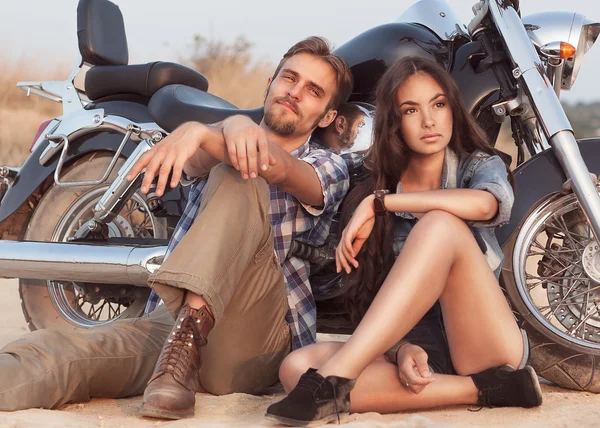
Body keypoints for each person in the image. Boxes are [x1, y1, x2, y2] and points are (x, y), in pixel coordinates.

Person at [0, 37, 354, 419]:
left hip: (254, 340)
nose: (295, 93)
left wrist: (201, 130)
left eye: (314, 91)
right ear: (270, 82)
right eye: (290, 78)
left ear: (326, 117)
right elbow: (206, 156)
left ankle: (184, 345)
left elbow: (277, 168)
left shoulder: (330, 167)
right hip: (171, 333)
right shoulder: (215, 140)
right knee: (60, 352)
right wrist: (221, 127)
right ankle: (179, 353)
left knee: (242, 175)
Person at [265, 56, 543, 427]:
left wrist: (382, 204)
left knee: (440, 224)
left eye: (438, 104)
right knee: (296, 367)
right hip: (423, 353)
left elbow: (486, 204)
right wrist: (400, 350)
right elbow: (370, 295)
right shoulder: (367, 183)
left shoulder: (476, 165)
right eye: (411, 110)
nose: (429, 121)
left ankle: (336, 380)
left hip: (485, 343)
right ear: (394, 123)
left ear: (452, 108)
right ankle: (489, 389)